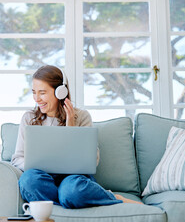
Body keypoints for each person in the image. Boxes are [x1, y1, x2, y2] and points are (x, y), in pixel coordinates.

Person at [11, 65, 142, 209]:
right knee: (29, 181)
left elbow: (93, 160)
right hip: (42, 179)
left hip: (73, 179)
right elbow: (17, 158)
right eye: (34, 92)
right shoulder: (29, 118)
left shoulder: (81, 116)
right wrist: (37, 165)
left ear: (60, 92)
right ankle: (64, 201)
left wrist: (71, 127)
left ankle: (103, 197)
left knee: (72, 191)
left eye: (42, 93)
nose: (37, 99)